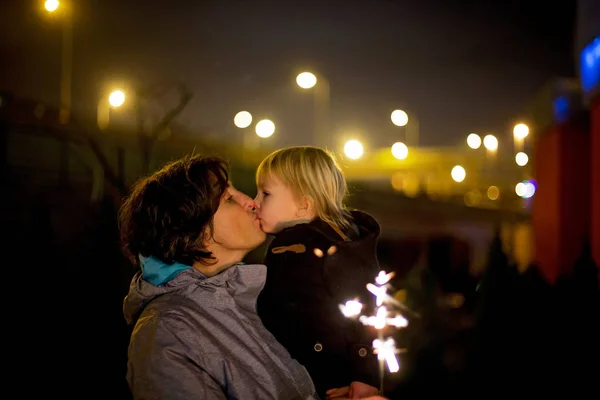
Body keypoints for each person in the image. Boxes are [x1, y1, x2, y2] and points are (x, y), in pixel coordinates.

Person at [119, 155, 318, 399]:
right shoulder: (167, 332)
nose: (250, 202)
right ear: (195, 228)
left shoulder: (258, 298)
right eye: (228, 198)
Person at [254, 146, 382, 398]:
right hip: (337, 375)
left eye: (265, 194)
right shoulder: (349, 245)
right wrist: (365, 372)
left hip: (312, 379)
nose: (254, 203)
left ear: (303, 205)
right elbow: (368, 311)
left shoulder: (294, 246)